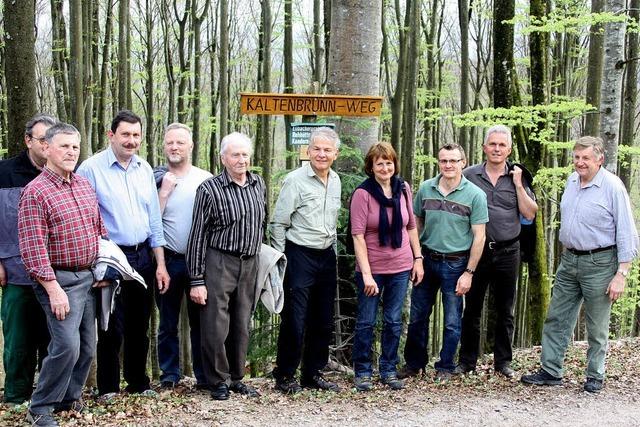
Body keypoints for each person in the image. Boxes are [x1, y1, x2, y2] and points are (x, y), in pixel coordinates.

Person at [521, 136, 638, 393]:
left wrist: (622, 273)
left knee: (596, 325)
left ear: (599, 159)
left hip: (601, 262)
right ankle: (551, 370)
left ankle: (595, 375)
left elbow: (627, 232)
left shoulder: (612, 187)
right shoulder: (572, 181)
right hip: (570, 260)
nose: (580, 163)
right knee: (557, 318)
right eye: (576, 157)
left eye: (585, 158)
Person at [77, 110, 170, 397]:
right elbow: (85, 221)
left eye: (136, 135)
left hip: (143, 256)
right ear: (111, 135)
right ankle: (107, 388)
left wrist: (161, 264)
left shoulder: (144, 168)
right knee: (110, 325)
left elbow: (154, 220)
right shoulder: (90, 170)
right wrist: (97, 267)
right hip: (111, 257)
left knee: (139, 324)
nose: (131, 141)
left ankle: (138, 383)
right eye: (125, 135)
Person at [18, 123, 106, 426]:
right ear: (47, 149)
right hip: (58, 281)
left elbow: (98, 229)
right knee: (66, 346)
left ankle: (70, 398)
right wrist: (52, 288)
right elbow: (32, 248)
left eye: (75, 147)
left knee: (86, 345)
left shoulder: (82, 185)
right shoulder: (35, 192)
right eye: (64, 146)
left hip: (88, 278)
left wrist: (104, 266)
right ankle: (40, 407)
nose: (71, 152)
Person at [186, 132, 266, 401]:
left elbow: (261, 224)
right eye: (235, 154)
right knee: (215, 325)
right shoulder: (209, 189)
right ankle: (217, 380)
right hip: (219, 261)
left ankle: (236, 378)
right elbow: (197, 235)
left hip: (250, 262)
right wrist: (196, 279)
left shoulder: (258, 184)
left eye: (245, 154)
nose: (241, 159)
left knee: (242, 323)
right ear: (223, 158)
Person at [399, 143, 488, 381]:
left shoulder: (475, 195)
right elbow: (415, 224)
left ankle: (445, 366)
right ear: (439, 162)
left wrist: (469, 272)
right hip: (427, 260)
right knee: (418, 316)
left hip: (457, 264)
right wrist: (414, 257)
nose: (448, 165)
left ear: (463, 163)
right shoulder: (426, 188)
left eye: (454, 161)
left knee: (451, 320)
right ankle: (414, 364)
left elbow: (480, 236)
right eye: (444, 161)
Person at [456, 125, 538, 378]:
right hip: (476, 253)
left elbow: (529, 213)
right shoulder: (468, 175)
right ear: (484, 148)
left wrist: (518, 184)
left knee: (506, 310)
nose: (497, 149)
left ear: (509, 149)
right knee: (471, 311)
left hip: (508, 251)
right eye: (492, 144)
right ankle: (467, 362)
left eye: (502, 145)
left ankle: (503, 362)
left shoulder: (518, 176)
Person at [270, 127, 342, 394]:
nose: (321, 154)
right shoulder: (295, 180)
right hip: (299, 254)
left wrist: (332, 249)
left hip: (326, 255)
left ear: (335, 153)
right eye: (317, 149)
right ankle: (285, 375)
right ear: (308, 151)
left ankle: (313, 373)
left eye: (327, 150)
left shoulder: (335, 180)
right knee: (295, 319)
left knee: (322, 319)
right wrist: (282, 261)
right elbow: (278, 224)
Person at [349, 142, 424, 392]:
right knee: (366, 322)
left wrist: (418, 258)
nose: (384, 167)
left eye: (388, 162)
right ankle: (362, 372)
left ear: (395, 164)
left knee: (393, 321)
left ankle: (389, 369)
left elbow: (411, 226)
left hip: (401, 267)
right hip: (372, 270)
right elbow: (358, 236)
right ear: (371, 167)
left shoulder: (403, 189)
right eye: (379, 163)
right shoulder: (363, 194)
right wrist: (367, 274)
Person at [0, 114, 57, 405]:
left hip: (57, 277)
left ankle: (48, 398)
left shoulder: (63, 175)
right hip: (15, 272)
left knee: (53, 339)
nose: (48, 146)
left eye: (52, 139)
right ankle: (16, 397)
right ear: (28, 141)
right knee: (18, 342)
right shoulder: (4, 173)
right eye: (42, 139)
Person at [155, 123, 212, 389]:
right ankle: (169, 376)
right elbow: (149, 220)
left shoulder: (206, 179)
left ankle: (204, 376)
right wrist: (164, 191)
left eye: (180, 143)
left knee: (201, 322)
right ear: (164, 146)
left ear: (190, 146)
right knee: (167, 323)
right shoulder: (154, 177)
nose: (174, 147)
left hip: (200, 261)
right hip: (167, 259)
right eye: (170, 143)